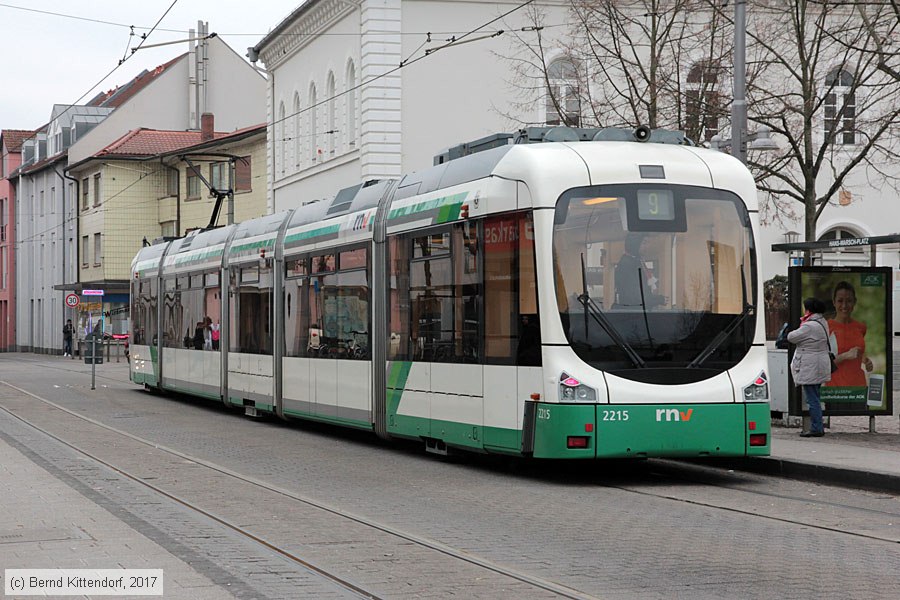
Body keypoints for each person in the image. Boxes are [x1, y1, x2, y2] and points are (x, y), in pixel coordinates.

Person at [786, 297, 831, 437]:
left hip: (811, 365)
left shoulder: (809, 325)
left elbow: (791, 337)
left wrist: (802, 323)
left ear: (809, 310)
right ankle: (817, 426)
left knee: (812, 399)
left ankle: (817, 428)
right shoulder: (822, 322)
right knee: (815, 396)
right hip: (819, 363)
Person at [826, 281, 873, 387]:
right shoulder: (826, 328)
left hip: (859, 389)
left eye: (849, 301)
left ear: (854, 302)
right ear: (834, 302)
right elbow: (822, 364)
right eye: (840, 301)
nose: (844, 305)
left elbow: (857, 353)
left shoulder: (861, 327)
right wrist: (845, 355)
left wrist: (866, 361)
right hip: (835, 391)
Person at [614, 233, 664, 309]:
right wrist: (657, 300)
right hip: (632, 315)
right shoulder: (627, 265)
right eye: (644, 243)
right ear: (635, 244)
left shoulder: (635, 262)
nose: (647, 246)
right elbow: (635, 298)